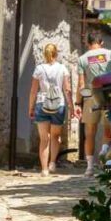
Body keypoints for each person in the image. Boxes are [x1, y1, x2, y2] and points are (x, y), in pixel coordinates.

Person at [75, 30, 111, 175]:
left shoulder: (82, 59)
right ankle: (104, 152)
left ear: (88, 43)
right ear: (102, 42)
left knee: (90, 133)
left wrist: (77, 103)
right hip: (110, 96)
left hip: (91, 97)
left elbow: (81, 84)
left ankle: (89, 167)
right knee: (108, 130)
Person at [28, 43, 73, 176]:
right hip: (58, 104)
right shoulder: (63, 69)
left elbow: (33, 91)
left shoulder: (39, 69)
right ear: (56, 54)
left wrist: (30, 107)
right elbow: (67, 89)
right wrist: (71, 106)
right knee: (55, 136)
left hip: (42, 103)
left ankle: (44, 169)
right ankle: (52, 162)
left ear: (44, 54)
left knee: (44, 139)